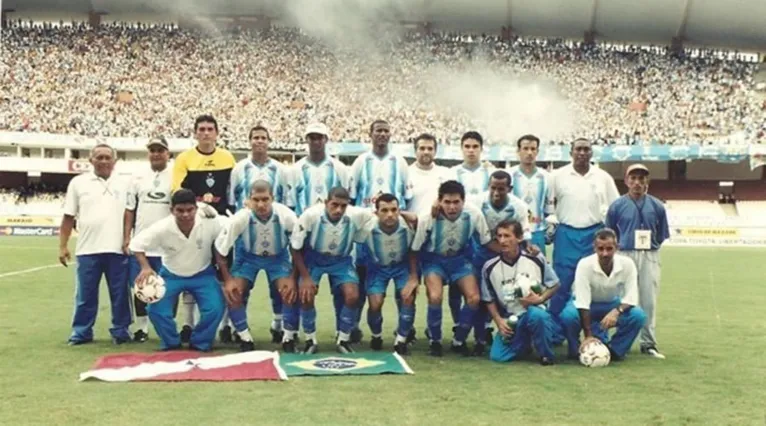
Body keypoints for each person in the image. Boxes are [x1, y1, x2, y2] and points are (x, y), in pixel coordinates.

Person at [129, 189, 226, 352]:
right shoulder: (162, 227)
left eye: (190, 210)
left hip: (203, 274)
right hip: (171, 275)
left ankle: (200, 342)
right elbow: (136, 244)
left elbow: (233, 225)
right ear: (171, 210)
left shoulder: (211, 221)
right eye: (180, 210)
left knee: (215, 308)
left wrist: (211, 209)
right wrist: (145, 267)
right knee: (155, 311)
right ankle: (171, 342)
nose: (186, 215)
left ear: (196, 208)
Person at [171, 114, 236, 343]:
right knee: (193, 269)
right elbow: (177, 191)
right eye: (202, 129)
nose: (206, 133)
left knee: (224, 272)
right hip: (195, 223)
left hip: (221, 225)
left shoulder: (227, 158)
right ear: (195, 133)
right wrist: (198, 206)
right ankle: (188, 324)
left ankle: (226, 325)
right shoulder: (184, 159)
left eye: (210, 129)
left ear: (217, 133)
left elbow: (232, 190)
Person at [214, 180, 299, 353]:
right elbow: (221, 250)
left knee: (288, 291)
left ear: (272, 198)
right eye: (256, 199)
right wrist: (228, 280)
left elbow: (299, 247)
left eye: (265, 199)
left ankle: (287, 336)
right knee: (234, 292)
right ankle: (245, 337)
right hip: (247, 258)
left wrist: (293, 277)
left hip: (278, 257)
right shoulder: (241, 218)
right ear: (249, 200)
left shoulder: (286, 216)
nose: (261, 204)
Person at [59, 143, 132, 346]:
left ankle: (121, 331)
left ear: (115, 161)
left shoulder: (125, 183)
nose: (103, 161)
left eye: (108, 157)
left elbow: (129, 214)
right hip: (87, 249)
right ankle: (81, 332)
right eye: (99, 157)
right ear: (91, 160)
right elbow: (68, 217)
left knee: (119, 295)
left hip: (117, 249)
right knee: (85, 295)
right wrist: (63, 246)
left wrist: (127, 239)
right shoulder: (78, 183)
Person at [411, 180, 493, 357]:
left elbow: (487, 242)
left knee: (474, 298)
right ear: (439, 201)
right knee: (435, 296)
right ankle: (435, 341)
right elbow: (415, 249)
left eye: (456, 202)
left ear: (463, 201)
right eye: (447, 202)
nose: (452, 207)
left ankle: (459, 340)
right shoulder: (428, 217)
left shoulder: (474, 214)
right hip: (434, 260)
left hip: (459, 260)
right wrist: (413, 277)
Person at [348, 119, 412, 344]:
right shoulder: (360, 162)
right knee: (364, 281)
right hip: (368, 236)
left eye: (386, 131)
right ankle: (355, 326)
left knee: (400, 286)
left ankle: (404, 330)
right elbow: (353, 198)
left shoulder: (400, 162)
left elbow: (407, 197)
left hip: (395, 231)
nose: (382, 135)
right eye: (378, 131)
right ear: (371, 134)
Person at [290, 187, 373, 354]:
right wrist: (305, 277)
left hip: (341, 260)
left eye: (343, 206)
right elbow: (295, 248)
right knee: (306, 294)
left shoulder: (357, 215)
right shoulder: (311, 215)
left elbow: (376, 214)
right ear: (326, 202)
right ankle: (310, 339)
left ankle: (343, 339)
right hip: (314, 259)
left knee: (352, 295)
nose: (338, 210)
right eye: (334, 205)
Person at [547, 138, 619, 332]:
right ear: (571, 152)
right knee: (560, 285)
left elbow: (615, 207)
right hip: (566, 234)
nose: (582, 153)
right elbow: (548, 205)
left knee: (593, 285)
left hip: (593, 234)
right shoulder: (557, 176)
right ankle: (556, 332)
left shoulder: (603, 177)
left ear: (591, 153)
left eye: (586, 149)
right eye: (578, 149)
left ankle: (596, 332)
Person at [229, 125, 292, 343]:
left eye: (263, 137)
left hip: (275, 233)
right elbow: (232, 200)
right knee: (242, 286)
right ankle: (238, 330)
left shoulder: (280, 169)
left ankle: (278, 324)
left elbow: (286, 200)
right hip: (247, 234)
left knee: (279, 287)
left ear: (269, 141)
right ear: (249, 141)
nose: (259, 141)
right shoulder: (240, 168)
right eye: (255, 137)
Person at [605, 163, 669, 359]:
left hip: (648, 253)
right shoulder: (617, 205)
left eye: (641, 179)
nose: (637, 183)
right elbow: (609, 232)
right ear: (626, 181)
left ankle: (648, 343)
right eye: (633, 178)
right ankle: (616, 341)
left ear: (647, 181)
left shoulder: (657, 205)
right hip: (624, 254)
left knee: (648, 299)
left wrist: (651, 245)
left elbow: (663, 233)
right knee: (620, 298)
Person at [469, 170, 534, 355]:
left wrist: (528, 246)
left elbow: (524, 231)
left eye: (501, 189)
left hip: (505, 254)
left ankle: (515, 333)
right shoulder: (477, 202)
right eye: (493, 188)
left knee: (506, 294)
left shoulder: (519, 206)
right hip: (480, 253)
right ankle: (480, 337)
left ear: (510, 188)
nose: (496, 193)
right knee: (481, 297)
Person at [558, 228, 647, 361]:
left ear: (616, 248)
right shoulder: (585, 265)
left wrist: (616, 311)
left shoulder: (627, 264)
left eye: (609, 249)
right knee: (568, 316)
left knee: (638, 316)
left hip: (611, 304)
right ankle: (577, 350)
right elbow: (582, 302)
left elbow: (631, 297)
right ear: (594, 248)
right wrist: (588, 336)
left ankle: (615, 351)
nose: (605, 253)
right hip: (585, 304)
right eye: (600, 249)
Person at [481, 220, 560, 365]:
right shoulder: (489, 267)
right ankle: (524, 343)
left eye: (507, 236)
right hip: (512, 318)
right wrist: (499, 321)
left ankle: (546, 354)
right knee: (497, 357)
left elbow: (555, 284)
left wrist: (540, 299)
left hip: (534, 311)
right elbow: (488, 299)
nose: (503, 241)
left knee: (538, 316)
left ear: (519, 238)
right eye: (499, 236)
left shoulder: (535, 258)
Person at [123, 137, 173, 343]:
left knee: (167, 289)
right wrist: (127, 237)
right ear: (148, 154)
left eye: (160, 150)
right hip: (142, 243)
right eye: (152, 150)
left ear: (167, 153)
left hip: (167, 245)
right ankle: (142, 328)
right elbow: (129, 210)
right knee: (140, 288)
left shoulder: (176, 175)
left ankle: (167, 326)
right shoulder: (137, 177)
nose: (156, 154)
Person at [446, 131, 495, 335]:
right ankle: (459, 321)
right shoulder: (452, 172)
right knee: (457, 283)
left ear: (481, 149)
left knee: (485, 280)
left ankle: (485, 325)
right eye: (467, 146)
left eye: (475, 146)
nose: (471, 150)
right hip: (461, 233)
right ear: (462, 148)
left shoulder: (490, 172)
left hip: (483, 233)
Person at [356, 193, 419, 355]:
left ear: (400, 210)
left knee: (408, 298)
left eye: (394, 210)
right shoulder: (366, 228)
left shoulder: (409, 225)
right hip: (377, 268)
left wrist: (413, 277)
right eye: (384, 210)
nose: (390, 214)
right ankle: (376, 336)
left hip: (401, 267)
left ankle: (401, 341)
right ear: (376, 213)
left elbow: (415, 248)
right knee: (375, 304)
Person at [508, 134, 552, 255]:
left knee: (537, 269)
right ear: (518, 151)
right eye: (525, 148)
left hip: (537, 232)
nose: (529, 153)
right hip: (513, 232)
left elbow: (549, 209)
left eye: (533, 149)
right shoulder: (509, 174)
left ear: (537, 151)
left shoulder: (547, 177)